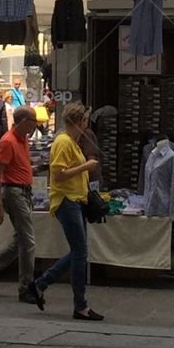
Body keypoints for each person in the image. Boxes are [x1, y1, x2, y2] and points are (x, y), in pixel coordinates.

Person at [28, 102, 103, 320]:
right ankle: (80, 305)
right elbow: (58, 175)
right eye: (86, 121)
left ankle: (41, 284)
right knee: (80, 252)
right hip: (66, 201)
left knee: (79, 251)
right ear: (80, 122)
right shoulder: (63, 142)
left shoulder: (72, 141)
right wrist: (86, 166)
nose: (87, 125)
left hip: (75, 200)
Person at [0, 106, 39, 301]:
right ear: (23, 122)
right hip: (14, 192)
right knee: (28, 241)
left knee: (20, 239)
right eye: (33, 121)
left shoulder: (23, 138)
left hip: (23, 192)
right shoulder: (8, 141)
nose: (35, 125)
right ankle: (26, 288)